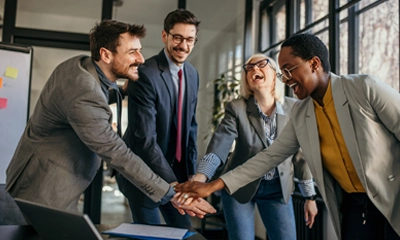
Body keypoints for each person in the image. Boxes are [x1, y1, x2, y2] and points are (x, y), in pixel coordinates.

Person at [175, 33, 400, 240]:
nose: (287, 78)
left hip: (393, 197)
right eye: (284, 72)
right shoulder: (301, 113)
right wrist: (211, 184)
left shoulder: (364, 88)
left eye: (289, 69)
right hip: (354, 205)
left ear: (314, 63)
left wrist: (309, 197)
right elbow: (268, 157)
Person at [5, 19, 215, 219]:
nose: (140, 59)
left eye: (140, 51)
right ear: (106, 55)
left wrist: (122, 92)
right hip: (40, 188)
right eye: (132, 52)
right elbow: (118, 152)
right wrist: (171, 194)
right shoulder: (83, 92)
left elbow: (100, 92)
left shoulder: (82, 65)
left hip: (56, 183)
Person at [186, 53, 318, 240]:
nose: (254, 69)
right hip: (239, 188)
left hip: (278, 189)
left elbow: (300, 156)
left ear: (274, 74)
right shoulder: (236, 108)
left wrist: (309, 198)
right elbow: (219, 145)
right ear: (247, 80)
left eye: (261, 64)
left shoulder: (294, 108)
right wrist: (200, 178)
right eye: (249, 68)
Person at [115, 9, 201, 228]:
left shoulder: (192, 74)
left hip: (179, 174)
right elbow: (145, 139)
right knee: (150, 235)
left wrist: (191, 175)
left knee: (184, 231)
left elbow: (190, 127)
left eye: (189, 39)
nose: (183, 45)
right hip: (144, 173)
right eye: (178, 38)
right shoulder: (144, 73)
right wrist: (169, 183)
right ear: (165, 36)